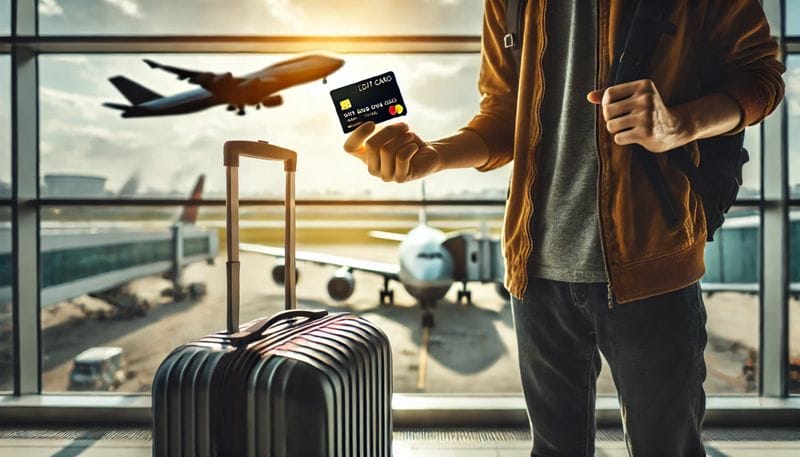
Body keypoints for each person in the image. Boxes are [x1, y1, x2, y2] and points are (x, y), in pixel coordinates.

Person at [342, 1, 785, 455]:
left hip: (652, 262)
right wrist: (434, 155)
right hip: (536, 268)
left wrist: (678, 124)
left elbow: (761, 79)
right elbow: (503, 115)